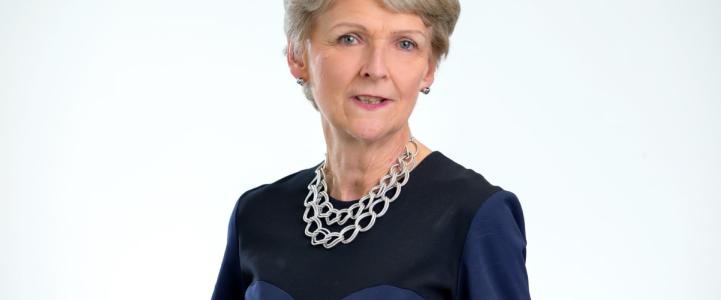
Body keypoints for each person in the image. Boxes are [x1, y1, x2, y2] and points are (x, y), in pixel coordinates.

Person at [212, 0, 530, 299]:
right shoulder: (256, 215)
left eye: (405, 44)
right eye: (350, 38)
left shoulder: (475, 216)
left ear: (429, 68)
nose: (376, 69)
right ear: (298, 56)